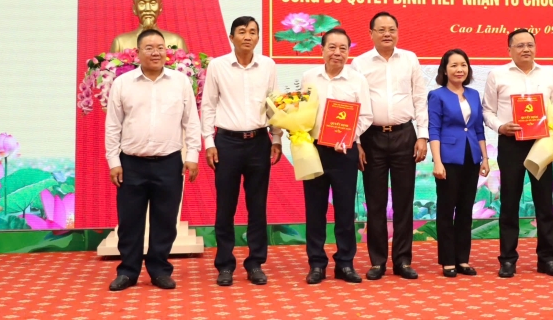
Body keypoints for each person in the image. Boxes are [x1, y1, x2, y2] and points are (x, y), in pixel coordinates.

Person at [105, 29, 200, 291]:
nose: (156, 52)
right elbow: (113, 125)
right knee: (130, 221)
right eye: (149, 48)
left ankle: (159, 270)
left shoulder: (180, 82)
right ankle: (128, 271)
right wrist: (114, 161)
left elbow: (191, 122)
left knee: (165, 221)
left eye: (160, 47)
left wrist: (192, 155)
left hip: (169, 162)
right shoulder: (122, 83)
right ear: (137, 52)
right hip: (131, 163)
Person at [482, 29, 553, 278]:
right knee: (510, 202)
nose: (526, 49)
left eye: (530, 44)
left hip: (542, 143)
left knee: (544, 203)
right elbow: (487, 111)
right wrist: (501, 126)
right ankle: (507, 260)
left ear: (536, 47)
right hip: (511, 144)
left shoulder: (548, 75)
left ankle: (548, 259)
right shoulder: (497, 75)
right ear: (509, 49)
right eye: (520, 45)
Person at [201, 16, 283, 287]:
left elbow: (274, 104)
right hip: (227, 142)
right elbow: (208, 105)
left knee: (257, 206)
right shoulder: (217, 66)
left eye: (253, 32)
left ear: (258, 37)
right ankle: (225, 265)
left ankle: (255, 263)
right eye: (242, 32)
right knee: (226, 206)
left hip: (259, 142)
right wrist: (209, 143)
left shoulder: (268, 65)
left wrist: (276, 138)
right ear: (231, 37)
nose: (248, 36)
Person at [351, 12, 427, 281]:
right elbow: (354, 103)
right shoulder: (359, 63)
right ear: (370, 33)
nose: (387, 34)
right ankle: (378, 261)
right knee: (375, 202)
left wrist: (423, 136)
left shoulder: (410, 59)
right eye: (381, 29)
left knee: (405, 201)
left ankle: (403, 260)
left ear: (397, 32)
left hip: (405, 134)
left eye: (391, 29)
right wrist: (356, 141)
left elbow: (420, 98)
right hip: (371, 137)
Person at [301, 28, 373, 284]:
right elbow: (300, 111)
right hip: (314, 151)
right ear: (322, 50)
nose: (337, 53)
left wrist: (348, 136)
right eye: (332, 47)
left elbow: (366, 116)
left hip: (344, 152)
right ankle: (316, 264)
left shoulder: (357, 80)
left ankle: (345, 263)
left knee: (344, 211)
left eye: (343, 48)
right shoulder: (309, 77)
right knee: (315, 211)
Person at [428, 49, 490, 277]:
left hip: (471, 157)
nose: (459, 69)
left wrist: (485, 158)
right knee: (446, 209)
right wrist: (437, 161)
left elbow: (478, 129)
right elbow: (434, 129)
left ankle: (462, 259)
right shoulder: (437, 95)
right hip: (448, 158)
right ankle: (448, 260)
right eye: (453, 65)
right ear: (445, 70)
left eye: (463, 65)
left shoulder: (473, 94)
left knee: (465, 209)